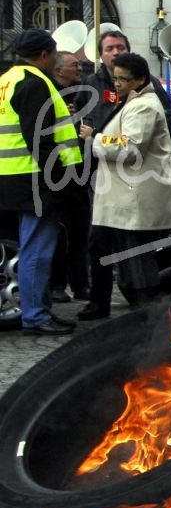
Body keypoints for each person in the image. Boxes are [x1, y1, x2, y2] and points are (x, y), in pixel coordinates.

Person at [79, 53, 171, 309]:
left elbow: (130, 148)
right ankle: (139, 307)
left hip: (133, 193)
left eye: (123, 79)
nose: (117, 84)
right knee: (126, 253)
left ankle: (148, 309)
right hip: (126, 192)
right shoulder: (135, 101)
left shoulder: (142, 106)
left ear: (140, 80)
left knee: (135, 255)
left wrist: (95, 137)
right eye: (115, 78)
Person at [0, 29, 83, 335]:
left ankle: (39, 309)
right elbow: (39, 138)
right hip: (36, 179)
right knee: (37, 249)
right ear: (45, 55)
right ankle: (35, 316)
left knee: (32, 246)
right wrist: (58, 177)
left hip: (14, 176)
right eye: (54, 54)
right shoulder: (34, 83)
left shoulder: (7, 80)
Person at [50, 51, 91, 303]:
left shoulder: (79, 94)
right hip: (59, 177)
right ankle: (57, 284)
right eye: (74, 65)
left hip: (78, 175)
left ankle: (81, 284)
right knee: (59, 235)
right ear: (59, 70)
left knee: (80, 234)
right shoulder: (48, 94)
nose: (79, 68)